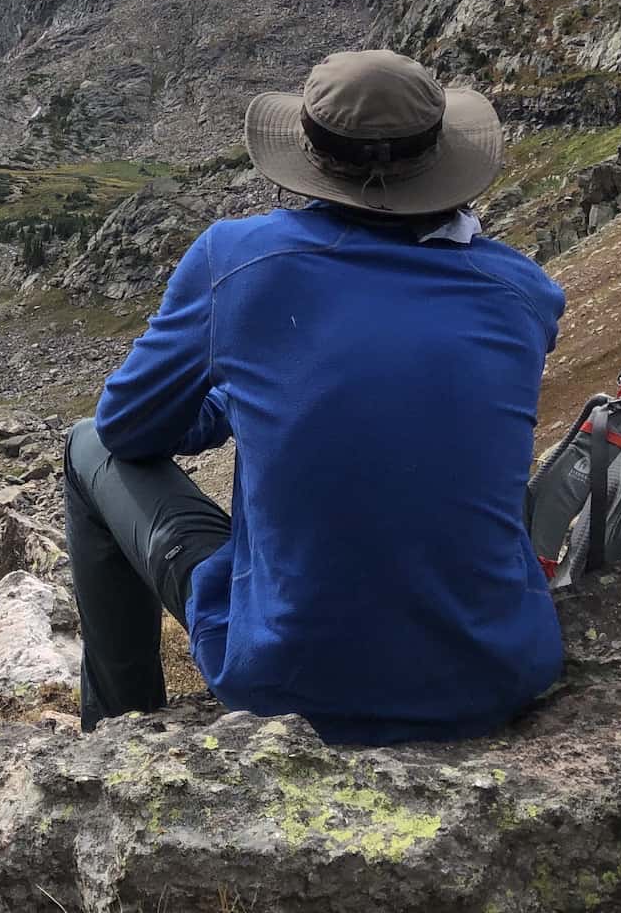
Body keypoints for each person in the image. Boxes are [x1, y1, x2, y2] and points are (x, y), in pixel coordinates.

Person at [63, 49, 565, 745]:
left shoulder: (234, 259)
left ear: (311, 158)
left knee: (86, 443)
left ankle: (118, 735)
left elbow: (128, 427)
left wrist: (231, 407)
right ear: (442, 158)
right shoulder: (524, 290)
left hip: (287, 685)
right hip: (494, 676)